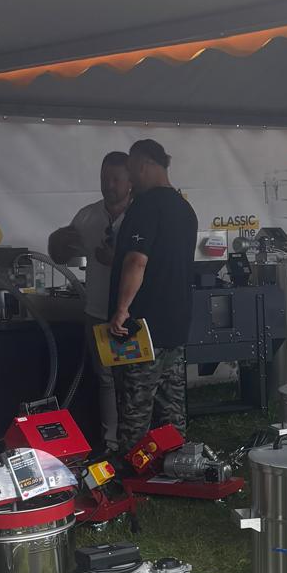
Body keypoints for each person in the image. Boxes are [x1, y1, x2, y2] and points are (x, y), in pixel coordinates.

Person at [107, 138, 198, 456]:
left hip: (141, 328)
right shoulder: (185, 208)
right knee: (171, 407)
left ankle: (134, 469)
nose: (130, 179)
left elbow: (137, 261)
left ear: (146, 164)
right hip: (175, 324)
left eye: (132, 170)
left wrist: (122, 309)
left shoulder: (145, 206)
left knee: (135, 409)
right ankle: (177, 464)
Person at [47, 151, 132, 452]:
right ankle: (111, 443)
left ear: (131, 181)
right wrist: (58, 241)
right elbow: (60, 255)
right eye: (104, 178)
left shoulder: (141, 214)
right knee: (106, 379)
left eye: (116, 179)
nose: (109, 185)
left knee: (134, 380)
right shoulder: (87, 216)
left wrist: (117, 259)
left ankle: (138, 441)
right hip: (97, 311)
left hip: (133, 313)